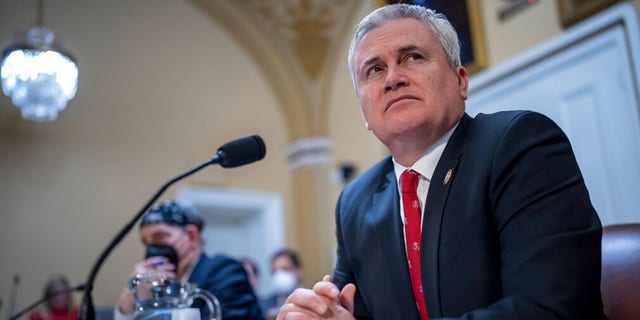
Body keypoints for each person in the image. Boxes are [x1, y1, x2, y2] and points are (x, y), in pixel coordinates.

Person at [277, 3, 606, 319]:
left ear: (460, 81)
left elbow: (550, 310)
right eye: (375, 69)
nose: (393, 78)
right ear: (364, 112)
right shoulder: (355, 201)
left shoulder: (520, 145)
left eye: (413, 57)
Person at [114, 199, 264, 320]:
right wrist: (131, 295)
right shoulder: (163, 287)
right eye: (146, 242)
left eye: (160, 237)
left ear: (192, 236)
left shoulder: (224, 270)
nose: (152, 247)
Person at [262, 249, 303, 320]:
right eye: (275, 271)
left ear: (298, 271)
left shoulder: (312, 300)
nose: (279, 275)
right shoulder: (263, 306)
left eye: (285, 269)